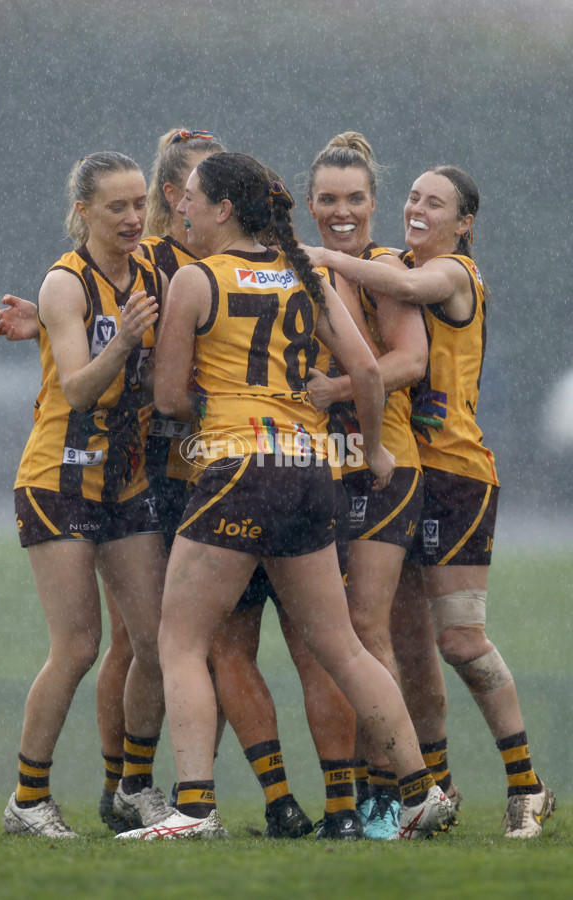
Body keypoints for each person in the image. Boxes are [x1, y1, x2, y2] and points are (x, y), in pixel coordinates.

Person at [115, 150, 453, 841]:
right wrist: (377, 446)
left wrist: (213, 400)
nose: (181, 209)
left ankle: (195, 810)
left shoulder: (196, 281)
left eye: (193, 201)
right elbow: (364, 368)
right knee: (342, 647)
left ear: (224, 210)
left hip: (238, 467)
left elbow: (172, 397)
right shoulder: (306, 272)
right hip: (311, 470)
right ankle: (420, 793)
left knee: (180, 640)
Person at [305, 164, 556, 839]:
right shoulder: (389, 266)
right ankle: (434, 786)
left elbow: (407, 289)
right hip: (411, 472)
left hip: (458, 475)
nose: (418, 209)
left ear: (464, 222)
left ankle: (527, 784)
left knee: (462, 641)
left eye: (435, 202)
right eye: (414, 198)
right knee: (411, 646)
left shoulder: (450, 274)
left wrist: (328, 256)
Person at [1, 151, 171, 838]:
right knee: (76, 645)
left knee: (157, 643)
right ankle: (29, 799)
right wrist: (124, 340)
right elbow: (76, 389)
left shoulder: (156, 266)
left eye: (139, 205)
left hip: (125, 481)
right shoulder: (64, 285)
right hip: (59, 477)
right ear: (83, 213)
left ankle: (133, 787)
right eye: (116, 208)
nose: (133, 219)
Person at [303, 133, 455, 840]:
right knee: (331, 637)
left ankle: (394, 794)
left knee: (367, 627)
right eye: (329, 199)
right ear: (309, 204)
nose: (342, 211)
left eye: (355, 198)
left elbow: (411, 360)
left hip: (386, 463)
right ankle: (357, 797)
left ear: (373, 203)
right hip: (319, 468)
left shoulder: (381, 267)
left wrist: (338, 385)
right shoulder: (296, 270)